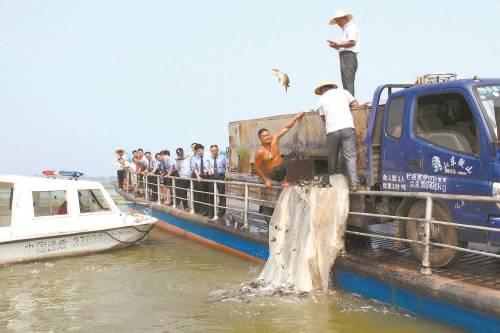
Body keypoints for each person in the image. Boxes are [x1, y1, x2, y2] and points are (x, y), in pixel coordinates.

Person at [314, 80, 360, 190]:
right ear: (332, 87)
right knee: (350, 156)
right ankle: (354, 183)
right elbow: (356, 104)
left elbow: (323, 118)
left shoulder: (322, 99)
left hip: (333, 131)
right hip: (348, 128)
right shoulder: (344, 92)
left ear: (323, 89)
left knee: (333, 157)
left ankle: (332, 182)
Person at [254, 111, 305, 188]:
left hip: (282, 168)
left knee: (296, 154)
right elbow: (256, 168)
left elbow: (286, 128)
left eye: (268, 134)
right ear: (260, 138)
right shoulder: (260, 151)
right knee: (292, 159)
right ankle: (285, 181)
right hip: (275, 174)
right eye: (265, 136)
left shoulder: (274, 139)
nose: (268, 137)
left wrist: (297, 116)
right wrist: (265, 181)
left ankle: (287, 179)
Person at [327, 9, 359, 96]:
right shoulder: (346, 29)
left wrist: (338, 44)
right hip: (346, 56)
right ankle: (349, 101)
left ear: (343, 18)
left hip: (348, 56)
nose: (337, 23)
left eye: (338, 20)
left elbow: (352, 42)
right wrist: (337, 46)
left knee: (348, 81)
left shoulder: (351, 27)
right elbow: (348, 44)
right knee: (346, 81)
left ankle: (351, 103)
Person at [207, 145, 228, 218]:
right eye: (212, 151)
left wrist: (224, 174)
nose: (214, 152)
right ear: (210, 151)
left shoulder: (223, 157)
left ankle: (222, 211)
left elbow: (226, 166)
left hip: (220, 176)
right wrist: (208, 170)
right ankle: (211, 212)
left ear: (218, 150)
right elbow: (207, 166)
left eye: (215, 150)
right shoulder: (209, 158)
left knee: (221, 194)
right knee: (211, 194)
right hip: (212, 176)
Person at [192, 144, 210, 216]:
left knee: (210, 194)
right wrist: (198, 176)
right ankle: (205, 210)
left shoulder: (209, 155)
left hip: (208, 175)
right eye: (197, 151)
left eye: (199, 150)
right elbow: (195, 168)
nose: (198, 152)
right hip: (201, 176)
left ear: (203, 149)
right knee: (202, 194)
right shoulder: (195, 158)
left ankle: (211, 210)